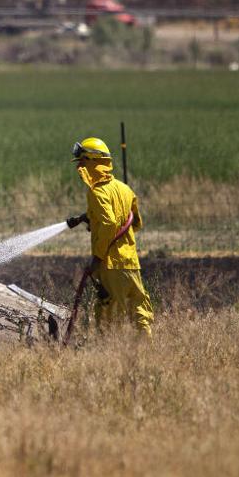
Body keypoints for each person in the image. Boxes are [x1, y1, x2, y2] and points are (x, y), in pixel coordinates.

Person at [66, 137, 153, 336]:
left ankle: (108, 354)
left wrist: (97, 256)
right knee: (139, 310)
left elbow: (110, 222)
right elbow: (136, 223)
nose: (79, 167)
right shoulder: (125, 189)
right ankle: (147, 350)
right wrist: (89, 219)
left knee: (108, 314)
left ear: (93, 161)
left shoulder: (96, 192)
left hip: (110, 264)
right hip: (130, 262)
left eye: (82, 161)